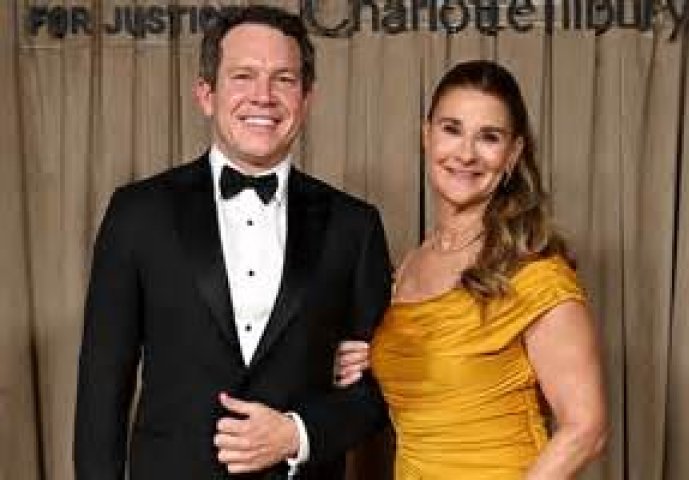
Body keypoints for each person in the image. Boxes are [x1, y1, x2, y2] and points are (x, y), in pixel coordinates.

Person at [74, 6, 391, 480]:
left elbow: (379, 390)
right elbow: (102, 387)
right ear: (207, 94)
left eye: (284, 79)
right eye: (243, 76)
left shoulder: (355, 226)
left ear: (306, 99)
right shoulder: (138, 213)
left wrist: (298, 434)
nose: (263, 96)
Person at [335, 60, 608, 479]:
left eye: (489, 137)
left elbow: (586, 430)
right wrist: (375, 358)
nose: (466, 154)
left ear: (513, 154)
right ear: (426, 135)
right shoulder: (411, 264)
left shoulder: (535, 274)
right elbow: (443, 370)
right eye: (452, 129)